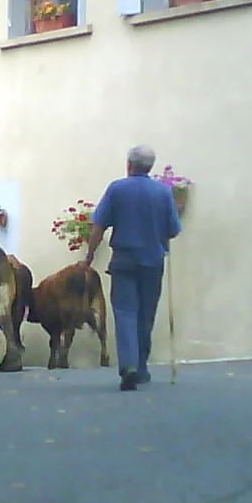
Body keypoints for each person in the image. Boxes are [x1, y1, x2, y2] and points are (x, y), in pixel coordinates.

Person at [84, 145, 182, 391]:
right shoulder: (163, 193)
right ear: (150, 167)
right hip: (153, 262)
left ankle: (128, 366)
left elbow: (99, 226)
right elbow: (173, 230)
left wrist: (90, 255)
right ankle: (141, 366)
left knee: (125, 312)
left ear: (129, 164)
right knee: (145, 315)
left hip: (124, 260)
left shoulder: (117, 189)